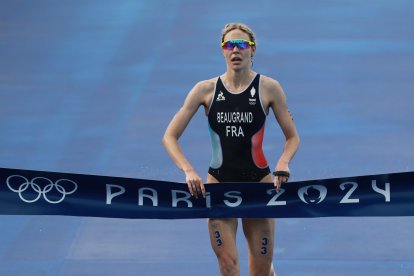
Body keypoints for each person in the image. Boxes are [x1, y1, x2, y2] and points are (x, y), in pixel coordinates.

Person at [162, 23, 300, 276]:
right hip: (219, 186)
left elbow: (292, 137)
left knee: (258, 272)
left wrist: (284, 162)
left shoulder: (269, 88)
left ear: (252, 50)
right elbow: (169, 136)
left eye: (241, 45)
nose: (235, 50)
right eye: (229, 45)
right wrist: (188, 170)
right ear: (222, 51)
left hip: (258, 186)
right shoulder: (205, 90)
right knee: (228, 267)